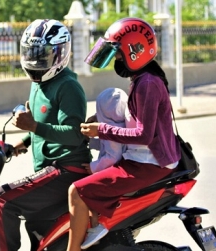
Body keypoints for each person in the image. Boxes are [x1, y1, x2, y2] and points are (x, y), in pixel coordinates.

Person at [66, 17, 181, 251]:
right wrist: (100, 120)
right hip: (143, 159)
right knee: (90, 182)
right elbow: (136, 119)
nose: (116, 59)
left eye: (118, 54)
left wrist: (102, 130)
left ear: (134, 51)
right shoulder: (143, 79)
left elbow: (143, 134)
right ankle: (98, 226)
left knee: (76, 191)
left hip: (149, 163)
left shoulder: (147, 83)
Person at [0, 19, 92, 251]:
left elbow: (75, 135)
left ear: (60, 54)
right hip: (49, 169)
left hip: (67, 170)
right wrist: (22, 142)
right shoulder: (38, 82)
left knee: (3, 198)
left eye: (43, 55)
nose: (36, 61)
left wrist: (33, 127)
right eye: (32, 53)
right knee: (36, 227)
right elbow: (45, 124)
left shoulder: (67, 86)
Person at [80, 87, 128, 249]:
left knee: (85, 191)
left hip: (110, 170)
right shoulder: (119, 125)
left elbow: (112, 156)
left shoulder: (111, 132)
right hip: (116, 167)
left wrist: (93, 167)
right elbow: (103, 146)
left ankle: (95, 227)